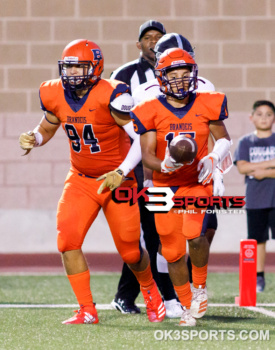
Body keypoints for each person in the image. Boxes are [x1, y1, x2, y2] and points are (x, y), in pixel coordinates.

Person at [18, 39, 166, 324]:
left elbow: (142, 140)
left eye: (79, 67)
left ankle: (150, 292)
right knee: (67, 241)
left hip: (118, 181)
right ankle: (86, 308)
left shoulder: (113, 94)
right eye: (69, 67)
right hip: (81, 179)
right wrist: (34, 138)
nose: (73, 73)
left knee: (131, 251)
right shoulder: (52, 91)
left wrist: (121, 172)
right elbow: (49, 124)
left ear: (95, 68)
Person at [131, 48, 232, 326]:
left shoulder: (208, 102)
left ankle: (199, 287)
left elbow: (224, 140)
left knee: (196, 235)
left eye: (185, 74)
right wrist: (164, 165)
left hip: (196, 181)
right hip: (165, 185)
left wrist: (214, 158)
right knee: (172, 252)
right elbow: (147, 153)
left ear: (194, 75)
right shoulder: (148, 109)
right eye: (173, 75)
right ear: (161, 78)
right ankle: (188, 305)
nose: (180, 80)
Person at [110, 20, 183, 318]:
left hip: (176, 166)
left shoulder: (181, 69)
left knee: (171, 232)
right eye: (148, 38)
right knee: (149, 234)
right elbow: (116, 119)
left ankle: (173, 292)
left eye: (159, 37)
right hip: (140, 166)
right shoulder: (124, 74)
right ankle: (154, 295)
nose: (154, 42)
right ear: (138, 44)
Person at [234, 100, 275, 293]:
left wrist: (262, 171)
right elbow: (242, 167)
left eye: (268, 114)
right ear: (251, 118)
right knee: (257, 239)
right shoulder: (245, 142)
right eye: (259, 114)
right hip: (256, 199)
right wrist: (272, 164)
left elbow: (252, 168)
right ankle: (258, 278)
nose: (264, 118)